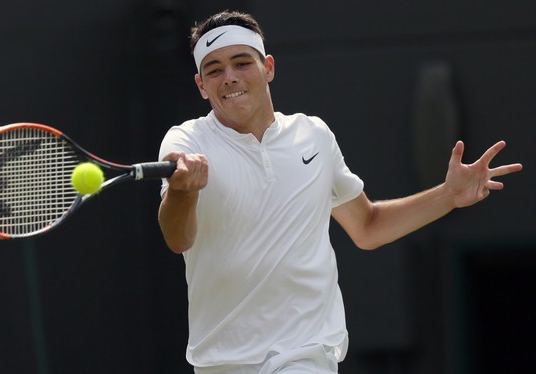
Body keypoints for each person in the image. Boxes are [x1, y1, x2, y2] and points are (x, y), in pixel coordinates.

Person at [157, 10, 523, 373]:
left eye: (241, 63)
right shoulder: (185, 142)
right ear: (201, 85)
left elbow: (368, 226)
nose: (230, 77)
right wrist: (183, 192)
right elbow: (178, 238)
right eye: (215, 70)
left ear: (268, 67)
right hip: (222, 360)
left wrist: (447, 195)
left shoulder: (313, 135)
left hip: (305, 352)